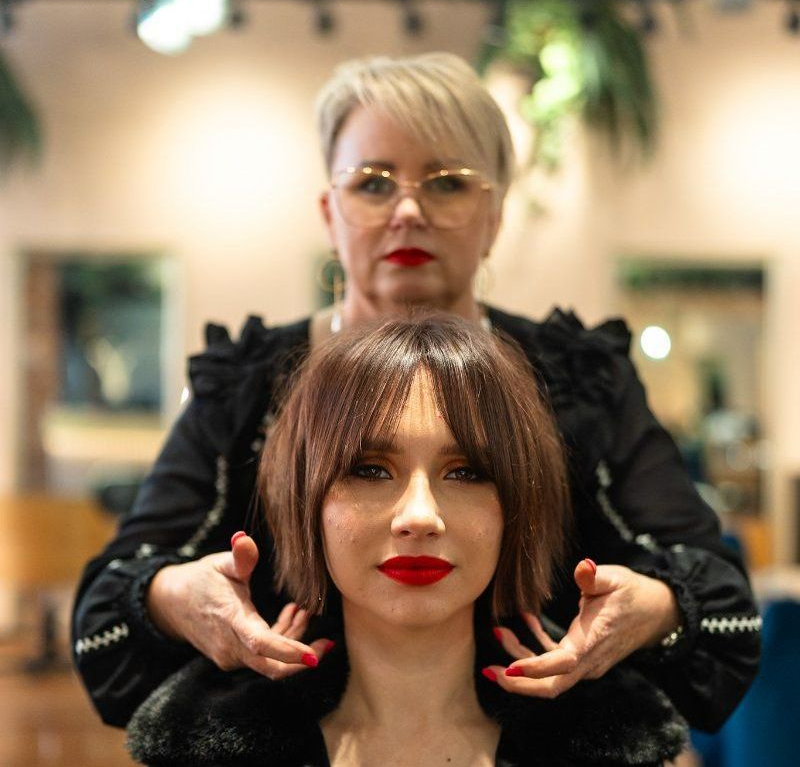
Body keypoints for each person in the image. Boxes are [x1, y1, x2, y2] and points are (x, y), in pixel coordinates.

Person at [72, 52, 760, 732]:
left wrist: (659, 606)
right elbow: (109, 606)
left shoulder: (579, 383)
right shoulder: (248, 386)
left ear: (493, 215)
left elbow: (717, 592)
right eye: (373, 184)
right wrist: (169, 598)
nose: (408, 209)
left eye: (448, 183)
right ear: (329, 212)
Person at [126, 316, 689, 767]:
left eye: (466, 471)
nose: (419, 518)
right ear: (307, 503)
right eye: (370, 470)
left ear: (518, 506)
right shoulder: (199, 745)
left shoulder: (619, 744)